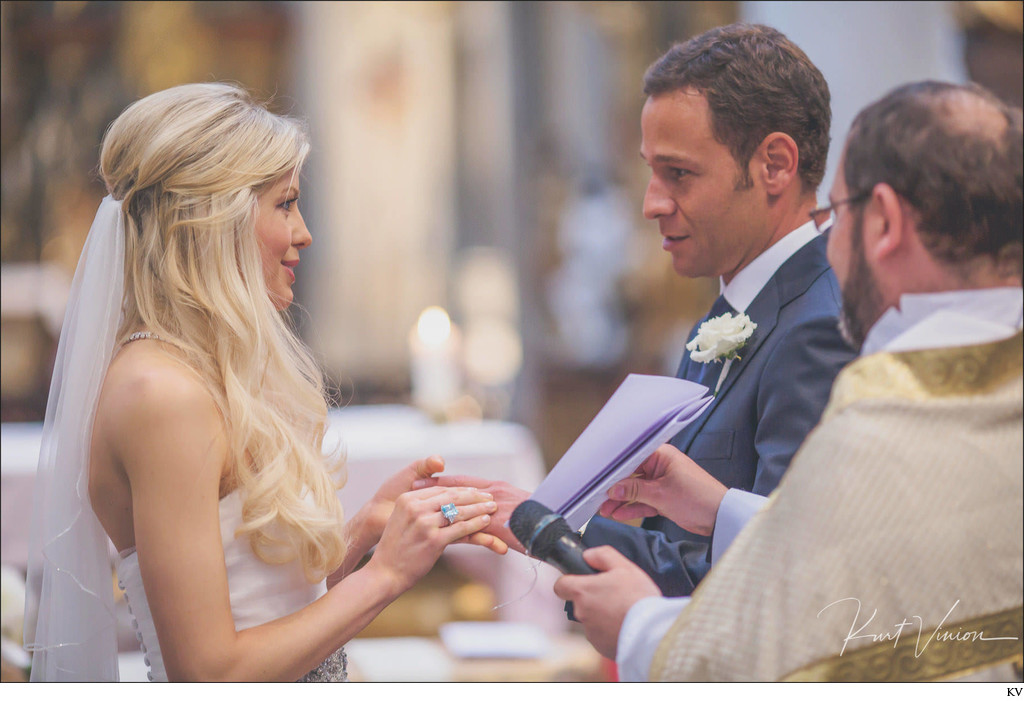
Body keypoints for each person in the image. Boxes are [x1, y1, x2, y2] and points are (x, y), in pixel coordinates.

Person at [23, 83, 505, 682]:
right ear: (214, 219)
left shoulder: (197, 370)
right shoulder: (160, 394)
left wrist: (364, 537)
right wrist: (387, 578)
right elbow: (210, 673)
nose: (303, 232)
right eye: (285, 204)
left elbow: (264, 610)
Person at [554, 80, 1024, 682]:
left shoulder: (890, 418)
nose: (831, 244)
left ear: (884, 223)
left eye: (841, 212)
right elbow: (892, 553)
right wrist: (721, 509)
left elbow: (783, 654)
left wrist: (640, 625)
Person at [426, 23, 856, 598]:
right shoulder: (736, 306)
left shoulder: (818, 328)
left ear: (774, 165)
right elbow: (686, 531)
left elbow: (782, 576)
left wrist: (549, 531)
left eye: (678, 173)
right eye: (651, 170)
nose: (652, 203)